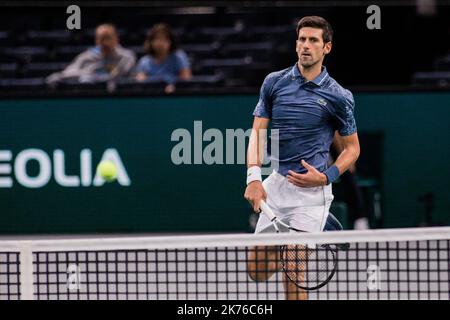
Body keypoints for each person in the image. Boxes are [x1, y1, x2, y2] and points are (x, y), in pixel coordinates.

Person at [243, 16, 360, 300]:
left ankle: (311, 224)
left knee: (293, 269)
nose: (305, 45)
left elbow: (352, 148)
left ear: (327, 48)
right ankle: (311, 229)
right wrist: (254, 179)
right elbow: (257, 132)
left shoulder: (339, 97)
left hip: (312, 193)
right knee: (256, 270)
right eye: (302, 39)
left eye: (313, 40)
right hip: (277, 186)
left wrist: (327, 176)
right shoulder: (274, 83)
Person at [46, 24, 136, 86]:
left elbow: (118, 76)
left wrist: (92, 74)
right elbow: (69, 72)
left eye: (108, 38)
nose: (105, 42)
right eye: (101, 38)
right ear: (96, 41)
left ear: (116, 38)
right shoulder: (86, 57)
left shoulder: (126, 57)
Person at [134, 23, 192, 93]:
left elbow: (186, 79)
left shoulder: (179, 57)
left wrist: (175, 87)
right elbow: (140, 83)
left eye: (164, 39)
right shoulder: (144, 61)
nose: (160, 43)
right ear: (151, 42)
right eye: (157, 39)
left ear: (170, 41)